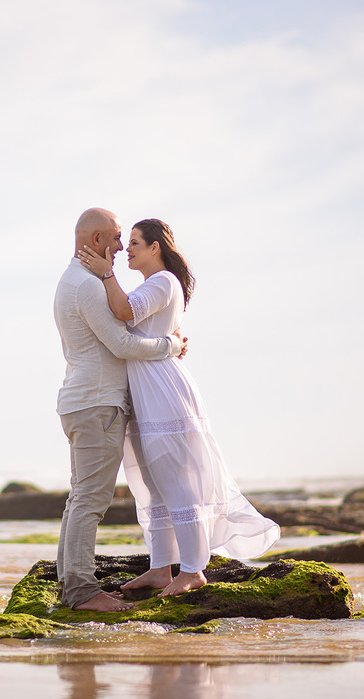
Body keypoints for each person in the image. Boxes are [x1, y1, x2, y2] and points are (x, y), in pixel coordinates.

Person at [77, 219, 279, 596]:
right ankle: (159, 570)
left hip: (164, 389)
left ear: (156, 248)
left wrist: (104, 274)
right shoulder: (151, 285)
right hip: (145, 390)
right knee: (153, 485)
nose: (128, 249)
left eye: (135, 242)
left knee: (177, 479)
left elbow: (122, 312)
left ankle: (192, 571)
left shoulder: (164, 281)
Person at [54, 208, 189, 612]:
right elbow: (122, 344)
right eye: (114, 238)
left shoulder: (76, 281)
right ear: (95, 240)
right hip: (97, 405)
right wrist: (172, 346)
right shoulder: (86, 286)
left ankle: (71, 585)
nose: (118, 248)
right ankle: (80, 592)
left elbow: (121, 333)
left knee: (80, 499)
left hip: (85, 403)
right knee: (90, 502)